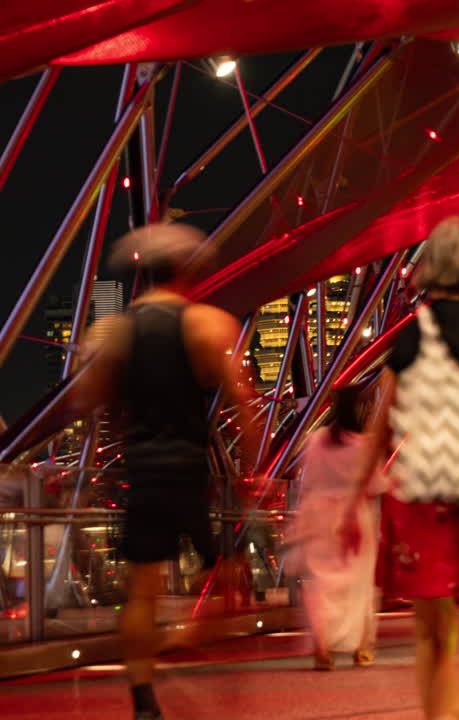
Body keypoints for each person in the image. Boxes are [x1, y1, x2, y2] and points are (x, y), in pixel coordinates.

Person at [75, 223, 264, 720]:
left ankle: (143, 699)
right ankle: (192, 637)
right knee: (228, 570)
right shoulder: (208, 324)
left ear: (141, 273)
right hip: (188, 466)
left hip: (141, 469)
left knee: (141, 590)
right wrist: (250, 468)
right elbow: (244, 407)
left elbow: (92, 400)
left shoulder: (111, 330)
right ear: (186, 271)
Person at [343, 216, 459, 720]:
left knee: (431, 633)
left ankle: (438, 714)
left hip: (413, 493)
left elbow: (381, 425)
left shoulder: (410, 334)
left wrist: (353, 498)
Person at [292, 386, 384, 670]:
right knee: (359, 585)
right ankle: (362, 646)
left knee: (322, 584)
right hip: (354, 516)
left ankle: (322, 644)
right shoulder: (365, 445)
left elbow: (306, 482)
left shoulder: (316, 440)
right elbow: (375, 485)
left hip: (319, 515)